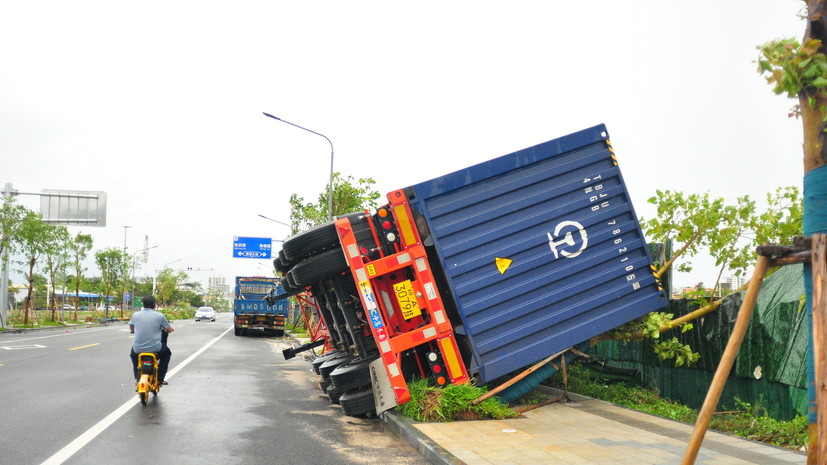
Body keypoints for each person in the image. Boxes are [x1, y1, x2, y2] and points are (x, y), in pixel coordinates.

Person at [129, 295, 174, 385]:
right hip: (156, 348)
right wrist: (170, 330)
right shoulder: (160, 316)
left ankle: (137, 377)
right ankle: (160, 379)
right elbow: (168, 329)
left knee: (133, 356)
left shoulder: (135, 315)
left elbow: (131, 327)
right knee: (167, 354)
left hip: (138, 349)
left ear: (143, 305)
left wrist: (133, 330)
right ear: (155, 305)